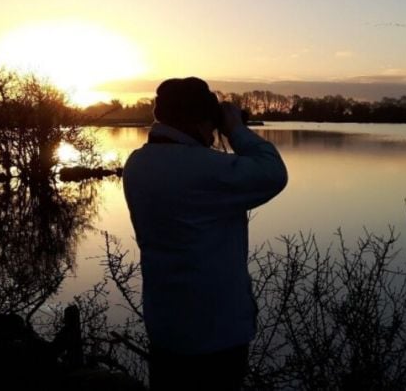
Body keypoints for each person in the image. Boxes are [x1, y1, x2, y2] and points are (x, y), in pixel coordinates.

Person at [122, 77, 288, 390]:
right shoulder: (203, 168)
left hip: (166, 326)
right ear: (199, 122)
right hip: (215, 335)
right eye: (211, 126)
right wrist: (236, 129)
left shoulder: (137, 164)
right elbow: (273, 173)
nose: (213, 135)